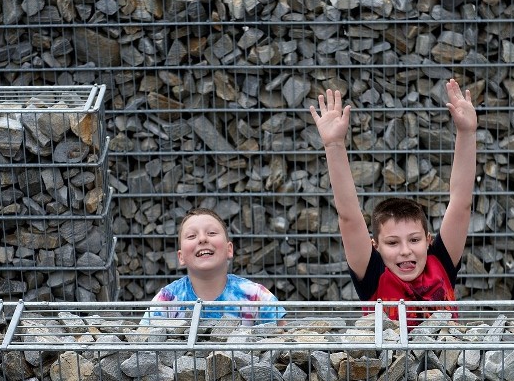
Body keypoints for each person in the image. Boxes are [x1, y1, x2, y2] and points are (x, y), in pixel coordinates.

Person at [309, 79, 478, 324]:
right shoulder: (373, 275)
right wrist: (334, 145)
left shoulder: (440, 261)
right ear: (375, 246)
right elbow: (349, 218)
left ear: (428, 241)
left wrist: (466, 133)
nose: (405, 250)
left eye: (414, 239)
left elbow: (461, 203)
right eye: (392, 242)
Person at [142, 208, 285, 325]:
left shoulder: (255, 295)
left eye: (211, 233)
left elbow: (283, 337)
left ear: (229, 249)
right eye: (192, 236)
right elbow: (144, 342)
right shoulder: (167, 300)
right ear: (181, 257)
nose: (203, 239)